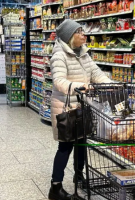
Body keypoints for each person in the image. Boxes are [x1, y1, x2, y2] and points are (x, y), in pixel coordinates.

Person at [48, 19, 111, 200]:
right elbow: (59, 81)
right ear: (69, 36)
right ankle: (55, 187)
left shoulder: (84, 54)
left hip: (83, 106)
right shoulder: (59, 56)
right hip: (66, 108)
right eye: (79, 32)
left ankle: (79, 176)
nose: (84, 35)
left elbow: (97, 75)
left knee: (82, 144)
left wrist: (114, 85)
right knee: (65, 146)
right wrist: (81, 86)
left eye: (83, 31)